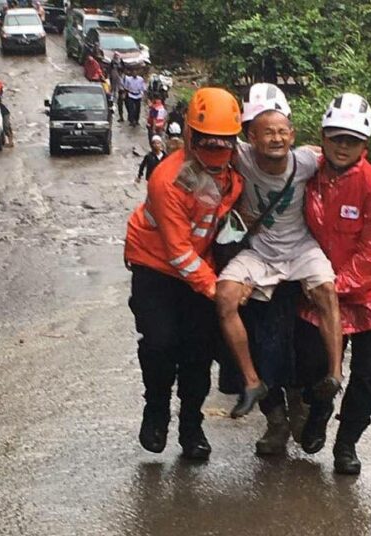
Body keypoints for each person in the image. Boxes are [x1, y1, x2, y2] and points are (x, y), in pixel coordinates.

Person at [124, 88, 243, 460]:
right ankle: (156, 410)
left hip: (202, 268)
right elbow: (178, 251)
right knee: (160, 344)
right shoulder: (167, 179)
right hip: (156, 266)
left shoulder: (236, 168)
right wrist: (217, 290)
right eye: (206, 144)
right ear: (190, 136)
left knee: (197, 353)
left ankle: (191, 425)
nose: (214, 153)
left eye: (222, 145)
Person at [216, 83, 343, 424]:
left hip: (300, 248)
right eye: (266, 132)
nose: (275, 139)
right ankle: (252, 383)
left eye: (282, 132)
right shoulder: (239, 155)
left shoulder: (306, 161)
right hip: (259, 251)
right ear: (250, 136)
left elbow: (342, 156)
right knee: (225, 296)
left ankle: (334, 375)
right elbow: (203, 140)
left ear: (292, 134)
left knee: (327, 291)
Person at [296, 93, 371, 475]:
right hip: (322, 293)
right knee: (312, 363)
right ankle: (319, 409)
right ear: (323, 137)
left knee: (366, 378)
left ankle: (347, 444)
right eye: (336, 137)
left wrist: (332, 287)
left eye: (352, 140)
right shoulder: (308, 174)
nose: (343, 146)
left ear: (365, 145)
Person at [110, 53, 126, 122]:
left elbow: (123, 67)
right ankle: (113, 96)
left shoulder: (124, 77)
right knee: (114, 87)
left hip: (123, 91)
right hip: (114, 75)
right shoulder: (112, 62)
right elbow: (110, 68)